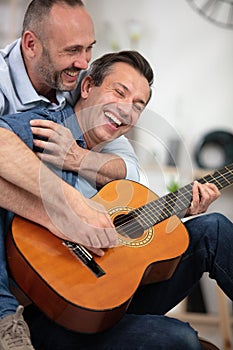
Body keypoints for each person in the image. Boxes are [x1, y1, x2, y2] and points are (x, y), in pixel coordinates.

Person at [1, 50, 233, 350]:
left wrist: (183, 210)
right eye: (119, 92)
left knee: (213, 227)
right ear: (87, 87)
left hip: (109, 297)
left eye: (137, 106)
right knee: (182, 339)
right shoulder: (46, 126)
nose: (126, 110)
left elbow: (132, 188)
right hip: (49, 311)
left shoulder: (117, 146)